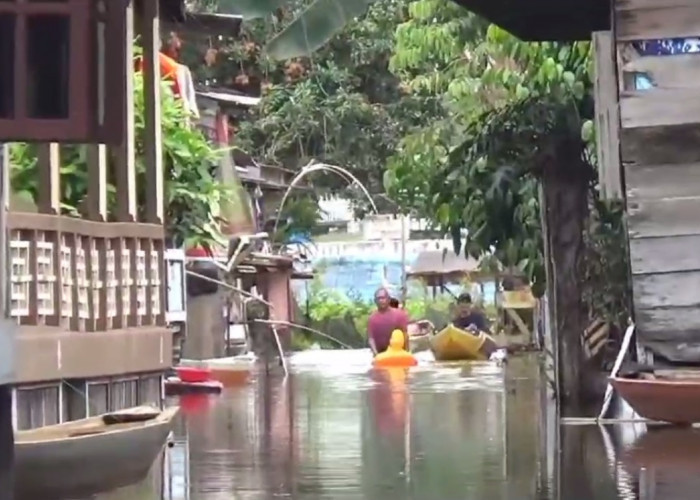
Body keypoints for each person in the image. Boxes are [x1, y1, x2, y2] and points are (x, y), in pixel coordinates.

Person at [368, 287, 409, 354]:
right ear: (375, 301)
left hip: (398, 354)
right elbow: (371, 339)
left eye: (383, 298)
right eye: (379, 298)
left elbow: (405, 335)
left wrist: (406, 352)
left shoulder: (399, 315)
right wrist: (376, 355)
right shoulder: (372, 318)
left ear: (389, 299)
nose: (381, 300)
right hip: (380, 355)